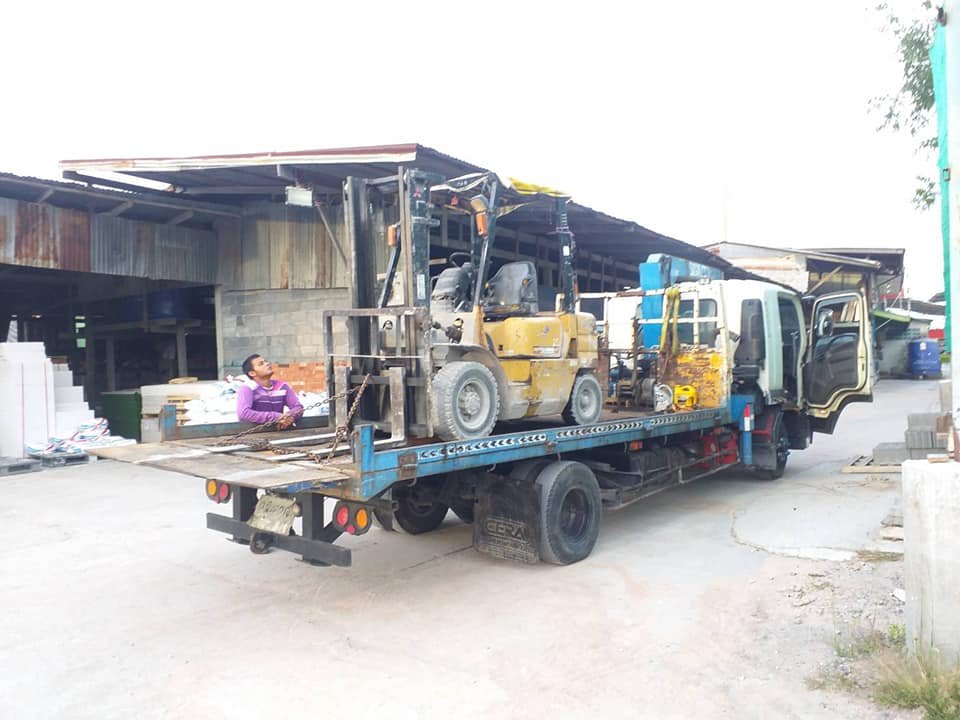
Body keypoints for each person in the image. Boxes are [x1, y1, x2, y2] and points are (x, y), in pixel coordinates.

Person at [236, 354, 303, 428]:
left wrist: (289, 416)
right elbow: (243, 414)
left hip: (279, 432)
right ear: (252, 373)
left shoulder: (282, 386)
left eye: (266, 361)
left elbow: (298, 407)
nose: (267, 364)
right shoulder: (248, 388)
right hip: (254, 433)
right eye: (261, 364)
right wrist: (276, 417)